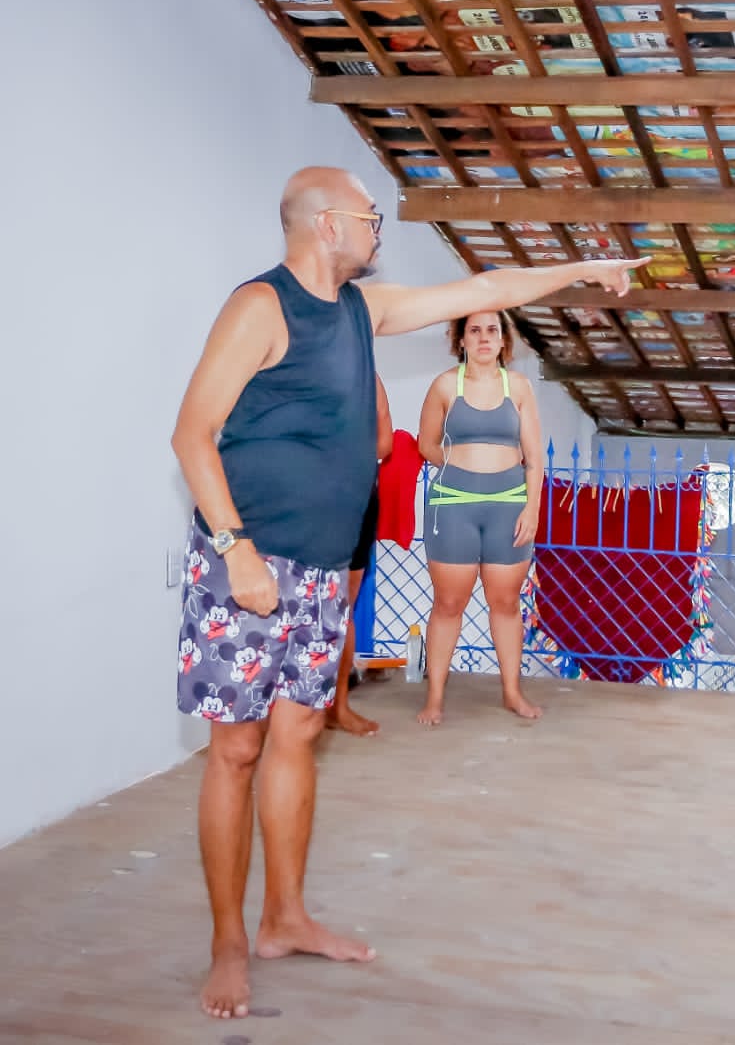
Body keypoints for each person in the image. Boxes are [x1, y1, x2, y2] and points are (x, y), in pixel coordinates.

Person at [170, 165, 648, 1020]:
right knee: (235, 751)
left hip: (322, 568)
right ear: (326, 224)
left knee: (297, 735)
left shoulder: (363, 310)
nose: (378, 230)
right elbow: (191, 433)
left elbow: (487, 288)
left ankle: (283, 918)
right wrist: (237, 552)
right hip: (248, 563)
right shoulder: (261, 308)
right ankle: (227, 942)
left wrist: (581, 269)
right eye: (370, 216)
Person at [413, 310, 546, 726]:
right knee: (449, 603)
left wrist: (532, 507)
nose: (484, 338)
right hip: (453, 505)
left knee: (505, 602)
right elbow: (426, 444)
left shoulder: (519, 387)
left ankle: (512, 692)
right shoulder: (444, 385)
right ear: (462, 340)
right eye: (475, 331)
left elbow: (534, 457)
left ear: (504, 340)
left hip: (508, 506)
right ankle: (435, 697)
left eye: (492, 330)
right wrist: (461, 465)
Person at [327, 373, 393, 737]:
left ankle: (337, 706)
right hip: (297, 503)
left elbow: (385, 442)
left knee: (342, 607)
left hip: (354, 499)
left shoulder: (367, 376)